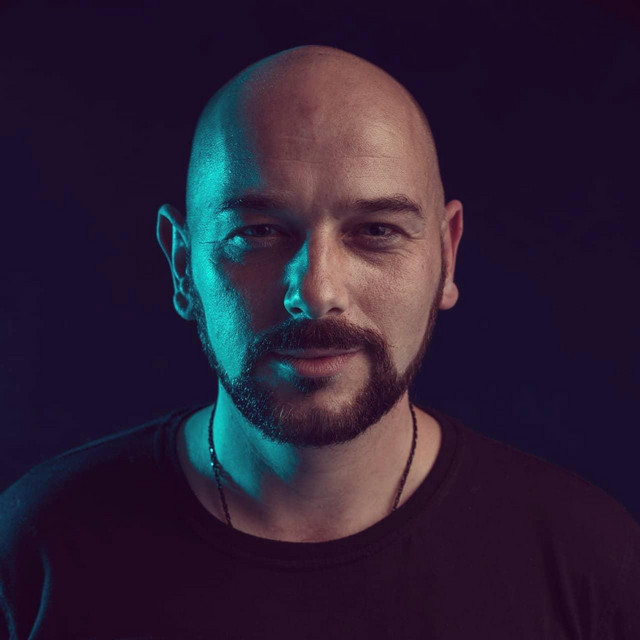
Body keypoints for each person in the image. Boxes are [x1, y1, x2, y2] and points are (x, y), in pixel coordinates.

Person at [1, 45, 638, 639]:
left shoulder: (590, 565)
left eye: (377, 230)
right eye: (257, 232)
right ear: (182, 266)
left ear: (446, 257)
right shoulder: (36, 552)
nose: (316, 291)